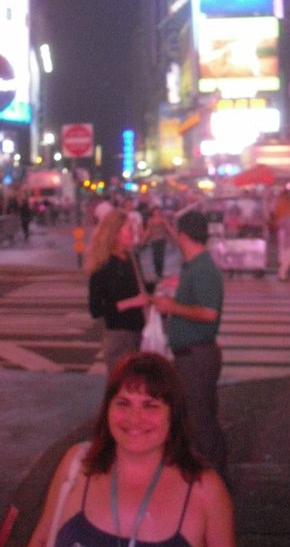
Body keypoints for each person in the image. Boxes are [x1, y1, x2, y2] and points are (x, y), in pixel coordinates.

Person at [22, 352, 239, 547]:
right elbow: (40, 544)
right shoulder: (77, 465)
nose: (134, 419)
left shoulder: (205, 490)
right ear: (107, 408)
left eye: (150, 406)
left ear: (173, 415)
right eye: (123, 403)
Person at [152, 210, 228, 481]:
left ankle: (215, 481)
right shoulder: (194, 265)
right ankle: (204, 476)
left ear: (184, 235)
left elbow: (209, 313)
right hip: (191, 355)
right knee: (196, 417)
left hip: (197, 356)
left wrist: (172, 306)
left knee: (201, 422)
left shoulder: (203, 269)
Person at [87, 209, 150, 372]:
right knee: (122, 382)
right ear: (116, 234)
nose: (133, 232)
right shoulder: (103, 266)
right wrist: (130, 303)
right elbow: (95, 309)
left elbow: (140, 289)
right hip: (119, 336)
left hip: (139, 333)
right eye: (129, 228)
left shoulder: (131, 257)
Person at [142, 205, 177, 279]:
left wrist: (174, 237)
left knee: (161, 256)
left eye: (158, 211)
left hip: (162, 240)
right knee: (155, 256)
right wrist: (143, 240)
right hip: (154, 240)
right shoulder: (150, 220)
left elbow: (168, 228)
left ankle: (160, 273)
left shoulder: (163, 219)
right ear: (153, 212)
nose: (157, 212)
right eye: (155, 211)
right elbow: (148, 231)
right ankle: (158, 273)